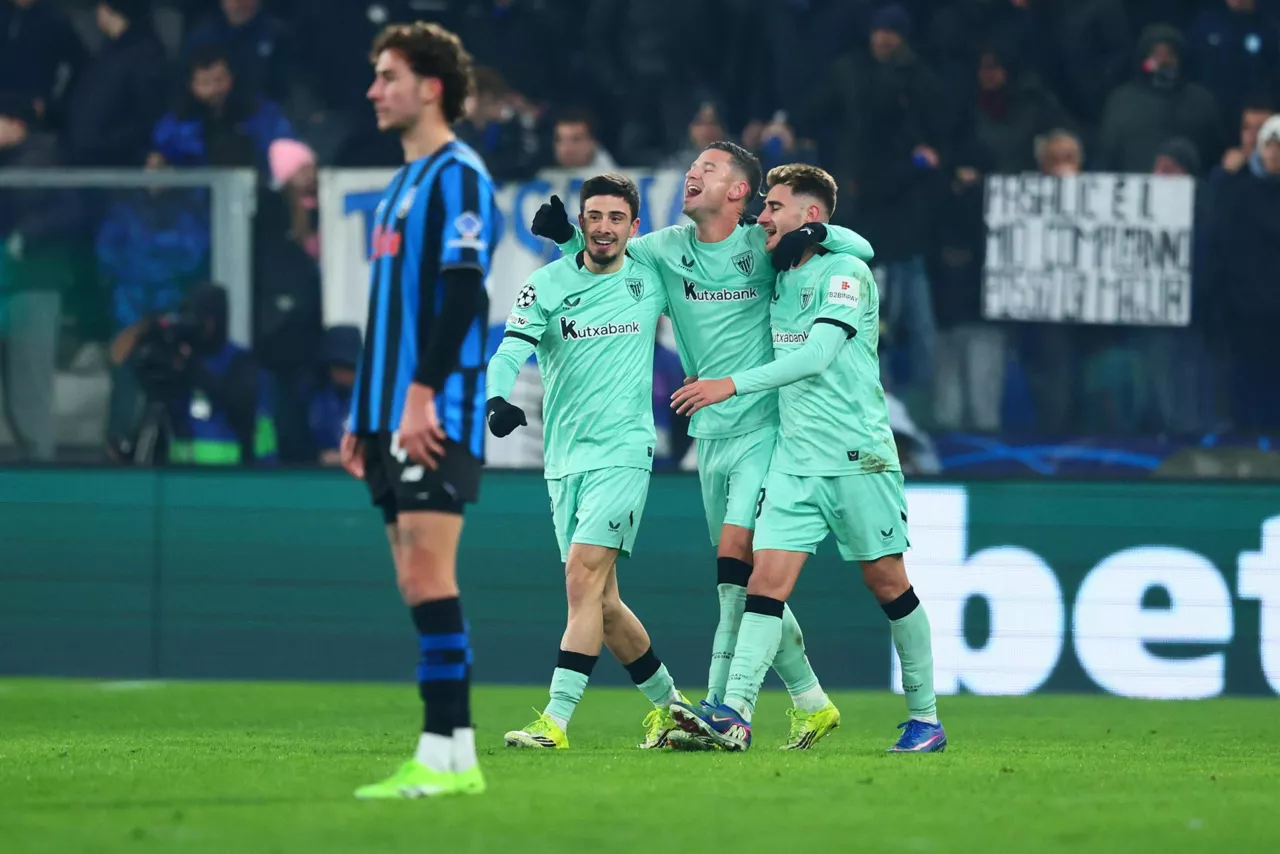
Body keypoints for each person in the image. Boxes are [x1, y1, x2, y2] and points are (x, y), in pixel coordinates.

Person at [534, 142, 874, 750]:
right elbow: (601, 259)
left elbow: (860, 250)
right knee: (744, 583)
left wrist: (814, 237)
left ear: (739, 192)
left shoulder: (762, 244)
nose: (692, 173)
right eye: (692, 166)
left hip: (768, 429)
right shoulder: (663, 250)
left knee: (732, 575)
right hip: (709, 435)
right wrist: (565, 240)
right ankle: (811, 701)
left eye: (707, 169)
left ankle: (722, 713)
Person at [668, 165, 944, 754]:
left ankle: (926, 718)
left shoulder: (846, 273)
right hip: (794, 460)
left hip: (859, 457)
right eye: (763, 206)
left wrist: (729, 384)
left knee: (888, 582)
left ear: (810, 217)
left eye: (774, 207)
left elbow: (817, 355)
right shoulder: (778, 272)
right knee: (763, 584)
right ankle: (735, 713)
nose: (762, 217)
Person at [342, 21, 495, 800]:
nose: (374, 90)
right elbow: (387, 311)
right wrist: (363, 412)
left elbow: (465, 294)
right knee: (414, 577)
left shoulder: (458, 175)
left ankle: (443, 754)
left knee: (431, 572)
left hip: (437, 409)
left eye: (387, 75)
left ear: (430, 86)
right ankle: (454, 752)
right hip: (389, 412)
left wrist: (420, 394)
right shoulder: (401, 184)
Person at [487, 173, 691, 750]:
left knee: (580, 579)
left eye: (616, 218)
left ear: (634, 226)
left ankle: (554, 721)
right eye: (594, 216)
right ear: (580, 220)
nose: (605, 227)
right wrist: (496, 398)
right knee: (602, 603)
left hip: (625, 453)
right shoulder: (546, 284)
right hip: (564, 462)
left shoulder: (649, 279)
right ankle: (674, 708)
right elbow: (508, 351)